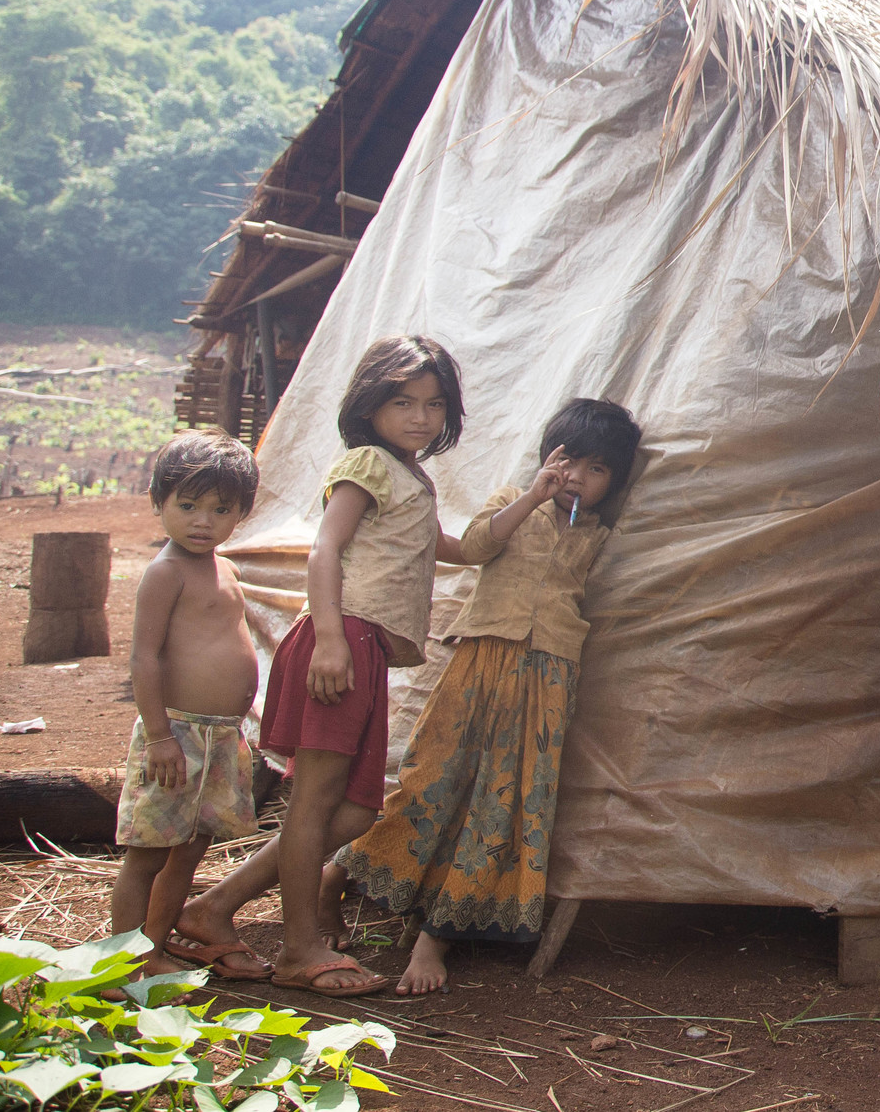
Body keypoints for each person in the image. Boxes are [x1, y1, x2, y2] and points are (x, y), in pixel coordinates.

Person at [172, 334, 466, 997]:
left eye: (434, 404)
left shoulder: (412, 475)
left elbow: (447, 544)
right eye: (403, 401)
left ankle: (215, 907)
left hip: (365, 648)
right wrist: (331, 638)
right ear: (370, 404)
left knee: (356, 809)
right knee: (314, 802)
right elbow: (323, 551)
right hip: (341, 640)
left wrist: (530, 503)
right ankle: (299, 947)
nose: (420, 416)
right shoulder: (366, 461)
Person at [325, 398, 642, 995]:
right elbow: (475, 545)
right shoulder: (511, 503)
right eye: (569, 460)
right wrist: (532, 497)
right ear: (548, 457)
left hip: (549, 674)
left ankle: (434, 937)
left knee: (506, 801)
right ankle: (335, 876)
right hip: (482, 659)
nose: (577, 477)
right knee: (431, 782)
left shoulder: (600, 535)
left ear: (614, 484)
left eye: (598, 470)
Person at [109, 431, 265, 982]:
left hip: (220, 734)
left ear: (241, 513)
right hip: (174, 735)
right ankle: (120, 961)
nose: (203, 521)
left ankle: (152, 947)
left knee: (190, 848)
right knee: (148, 852)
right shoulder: (165, 572)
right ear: (159, 503)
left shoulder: (226, 569)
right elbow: (144, 658)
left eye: (221, 509)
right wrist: (158, 736)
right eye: (188, 505)